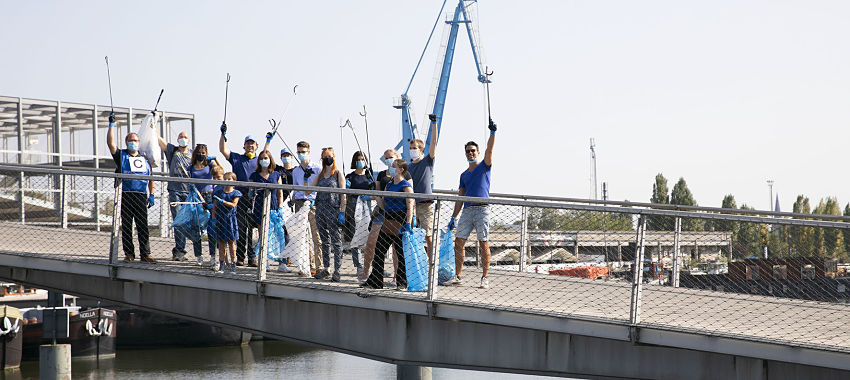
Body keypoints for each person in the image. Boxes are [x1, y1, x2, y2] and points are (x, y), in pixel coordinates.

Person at [447, 118, 497, 289]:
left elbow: (490, 150)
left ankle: (485, 277)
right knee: (459, 242)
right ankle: (458, 276)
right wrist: (453, 217)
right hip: (467, 211)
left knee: (484, 243)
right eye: (468, 151)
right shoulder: (463, 175)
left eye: (473, 151)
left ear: (477, 152)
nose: (470, 153)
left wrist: (492, 133)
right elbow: (460, 197)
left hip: (482, 210)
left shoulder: (484, 166)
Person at [106, 112, 156, 263]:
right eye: (130, 140)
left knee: (143, 226)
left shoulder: (144, 158)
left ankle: (146, 254)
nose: (133, 142)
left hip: (140, 195)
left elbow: (151, 178)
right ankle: (129, 253)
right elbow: (111, 144)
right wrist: (111, 125)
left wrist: (151, 194)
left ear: (139, 142)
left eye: (135, 140)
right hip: (125, 194)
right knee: (127, 225)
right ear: (127, 142)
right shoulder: (122, 155)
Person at [361, 159, 414, 290]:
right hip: (388, 218)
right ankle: (376, 281)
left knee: (400, 253)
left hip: (400, 218)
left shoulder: (405, 185)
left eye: (393, 166)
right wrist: (376, 194)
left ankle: (402, 282)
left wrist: (408, 222)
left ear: (401, 170)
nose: (390, 168)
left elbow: (410, 205)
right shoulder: (389, 185)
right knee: (379, 250)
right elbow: (383, 204)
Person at [219, 122, 259, 267]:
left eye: (252, 144)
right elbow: (223, 150)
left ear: (256, 146)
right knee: (241, 228)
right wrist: (223, 134)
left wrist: (268, 141)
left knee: (253, 230)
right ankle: (241, 257)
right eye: (247, 144)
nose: (250, 146)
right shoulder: (237, 158)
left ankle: (253, 257)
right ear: (244, 146)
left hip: (254, 199)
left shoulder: (260, 161)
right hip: (239, 198)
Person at [310, 148, 347, 282]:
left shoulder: (337, 174)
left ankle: (337, 270)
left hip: (333, 209)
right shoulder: (320, 175)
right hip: (320, 209)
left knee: (336, 241)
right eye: (325, 157)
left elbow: (343, 194)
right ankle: (326, 268)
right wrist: (307, 178)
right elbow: (310, 191)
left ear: (334, 157)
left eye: (329, 156)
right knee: (324, 240)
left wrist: (342, 211)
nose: (327, 159)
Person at [156, 130, 193, 261]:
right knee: (178, 221)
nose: (183, 139)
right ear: (177, 139)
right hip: (175, 191)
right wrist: (153, 126)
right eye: (181, 137)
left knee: (188, 222)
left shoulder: (193, 154)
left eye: (185, 137)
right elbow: (161, 142)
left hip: (189, 192)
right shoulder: (173, 151)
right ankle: (179, 251)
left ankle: (193, 251)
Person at [408, 114, 439, 256]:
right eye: (410, 147)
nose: (412, 150)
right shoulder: (408, 167)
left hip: (425, 205)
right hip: (412, 206)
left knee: (428, 235)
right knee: (413, 236)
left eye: (415, 148)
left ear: (421, 149)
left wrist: (434, 124)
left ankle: (432, 261)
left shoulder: (427, 161)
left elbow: (433, 143)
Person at [291, 141, 322, 273]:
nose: (301, 154)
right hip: (299, 203)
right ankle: (307, 264)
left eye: (303, 152)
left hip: (313, 203)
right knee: (302, 236)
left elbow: (320, 186)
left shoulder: (317, 168)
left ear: (309, 152)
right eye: (299, 152)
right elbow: (295, 188)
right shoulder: (296, 171)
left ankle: (319, 265)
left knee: (317, 235)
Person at [188, 144, 221, 267]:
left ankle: (213, 256)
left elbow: (220, 172)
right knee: (196, 228)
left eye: (203, 153)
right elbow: (188, 183)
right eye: (199, 152)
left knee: (211, 228)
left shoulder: (210, 165)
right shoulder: (191, 168)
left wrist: (214, 160)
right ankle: (199, 256)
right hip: (196, 198)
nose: (201, 155)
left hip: (209, 196)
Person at [343, 151, 374, 279]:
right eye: (358, 159)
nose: (360, 162)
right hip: (353, 208)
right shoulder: (350, 176)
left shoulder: (370, 176)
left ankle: (372, 266)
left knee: (370, 238)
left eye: (362, 159)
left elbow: (375, 192)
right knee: (355, 238)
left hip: (367, 209)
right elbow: (345, 192)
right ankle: (358, 266)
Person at [249, 150, 284, 236]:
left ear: (270, 159)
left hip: (273, 206)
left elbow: (280, 193)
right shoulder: (254, 175)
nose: (263, 160)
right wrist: (251, 193)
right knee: (262, 233)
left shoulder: (276, 174)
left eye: (265, 158)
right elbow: (250, 192)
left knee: (274, 234)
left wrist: (280, 207)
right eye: (261, 158)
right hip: (259, 206)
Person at [212, 172, 241, 274]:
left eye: (230, 179)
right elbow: (215, 207)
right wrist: (213, 218)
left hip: (230, 220)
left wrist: (223, 202)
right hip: (221, 219)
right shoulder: (219, 193)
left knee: (231, 243)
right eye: (226, 179)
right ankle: (221, 265)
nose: (227, 181)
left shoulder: (236, 193)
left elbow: (233, 205)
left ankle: (233, 264)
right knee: (221, 243)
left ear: (234, 181)